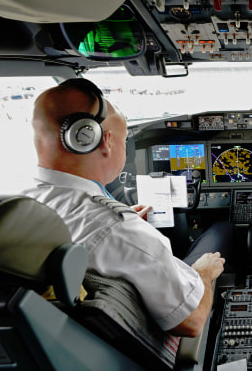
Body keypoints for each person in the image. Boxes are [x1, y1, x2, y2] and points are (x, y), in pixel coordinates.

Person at [22, 78, 233, 338]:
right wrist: (204, 273)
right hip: (164, 342)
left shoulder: (21, 204)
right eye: (125, 142)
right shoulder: (117, 229)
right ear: (105, 141)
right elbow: (192, 321)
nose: (125, 149)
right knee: (224, 228)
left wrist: (125, 222)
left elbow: (92, 231)